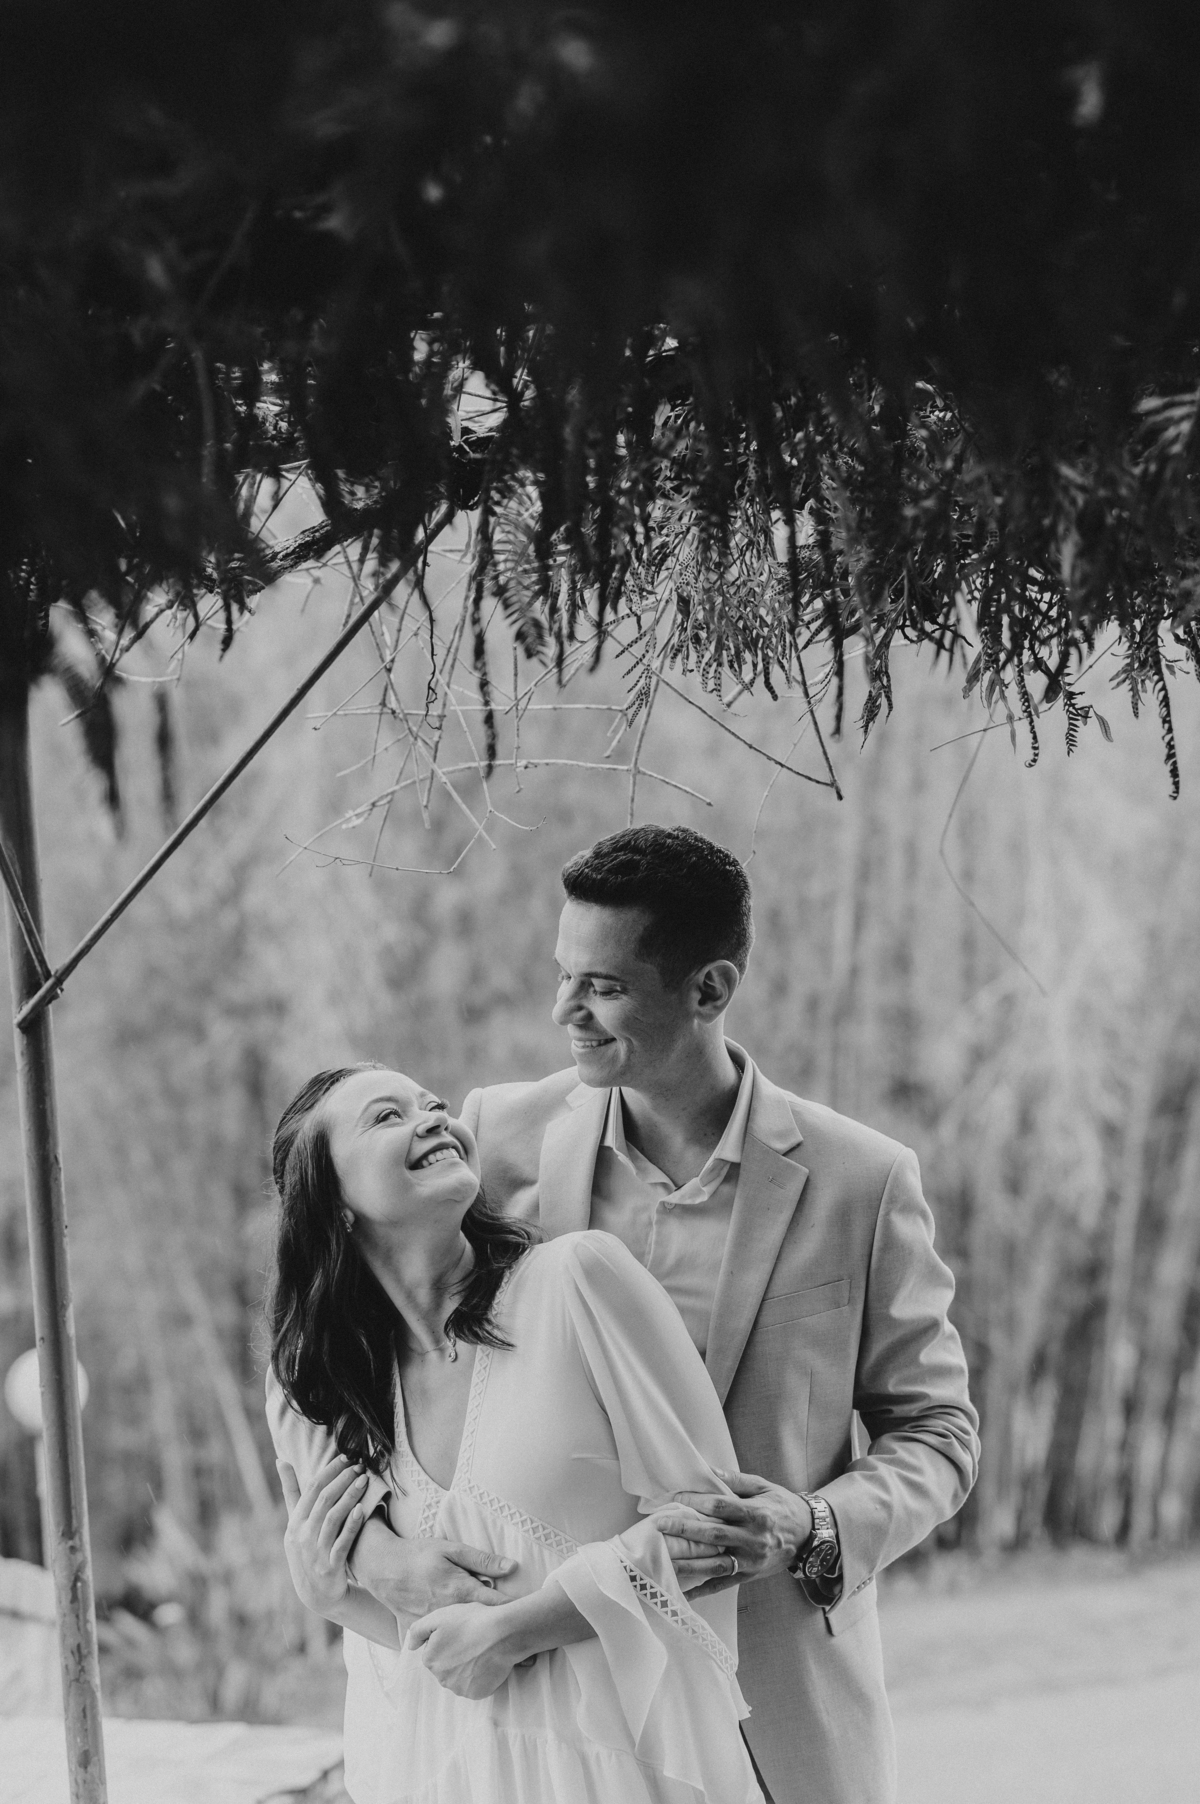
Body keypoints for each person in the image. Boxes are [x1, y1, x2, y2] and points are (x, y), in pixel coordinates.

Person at [272, 825, 980, 1804]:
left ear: (709, 989)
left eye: (601, 986)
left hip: (779, 1697)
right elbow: (338, 1340)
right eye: (562, 973)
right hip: (554, 1710)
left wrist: (811, 1524)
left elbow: (938, 1432)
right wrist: (374, 1556)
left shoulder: (863, 1180)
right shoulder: (490, 1139)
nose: (564, 1009)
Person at [267, 1061, 765, 1804]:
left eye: (432, 1104)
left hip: (623, 1772)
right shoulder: (332, 1387)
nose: (433, 1118)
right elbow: (432, 1656)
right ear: (331, 1201)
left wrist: (519, 1629)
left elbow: (723, 1533)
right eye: (387, 1116)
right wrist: (332, 1600)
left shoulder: (577, 1281)